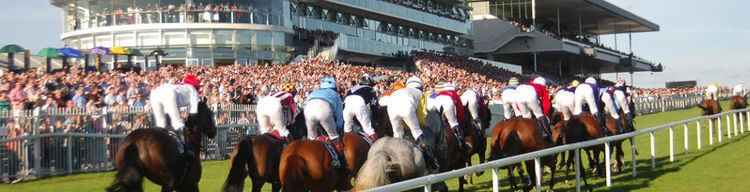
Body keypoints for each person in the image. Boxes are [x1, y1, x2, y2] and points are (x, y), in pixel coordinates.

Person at [385, 76, 439, 169]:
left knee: (397, 134)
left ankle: (392, 159)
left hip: (391, 109)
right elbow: (427, 111)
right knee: (417, 132)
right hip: (407, 110)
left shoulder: (399, 90)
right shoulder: (421, 93)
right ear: (421, 86)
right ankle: (431, 159)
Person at [304, 76, 348, 173]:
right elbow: (339, 116)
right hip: (323, 109)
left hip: (308, 110)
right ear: (334, 86)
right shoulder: (335, 94)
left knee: (311, 139)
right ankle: (343, 164)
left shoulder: (313, 92)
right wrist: (338, 128)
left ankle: (308, 164)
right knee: (335, 138)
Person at [149, 74, 201, 154]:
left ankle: (159, 148)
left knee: (161, 125)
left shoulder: (181, 87)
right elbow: (194, 112)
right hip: (169, 93)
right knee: (178, 123)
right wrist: (190, 125)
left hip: (155, 93)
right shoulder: (192, 89)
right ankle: (186, 151)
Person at [432, 81, 468, 149]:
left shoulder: (433, 94)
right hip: (448, 106)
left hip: (434, 110)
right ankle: (462, 143)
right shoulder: (454, 94)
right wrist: (459, 120)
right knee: (453, 123)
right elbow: (460, 111)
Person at [343, 74, 379, 142]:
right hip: (359, 104)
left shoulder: (351, 89)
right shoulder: (371, 89)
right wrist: (376, 118)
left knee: (347, 130)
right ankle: (376, 148)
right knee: (368, 129)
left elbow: (344, 102)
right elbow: (374, 106)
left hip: (347, 106)